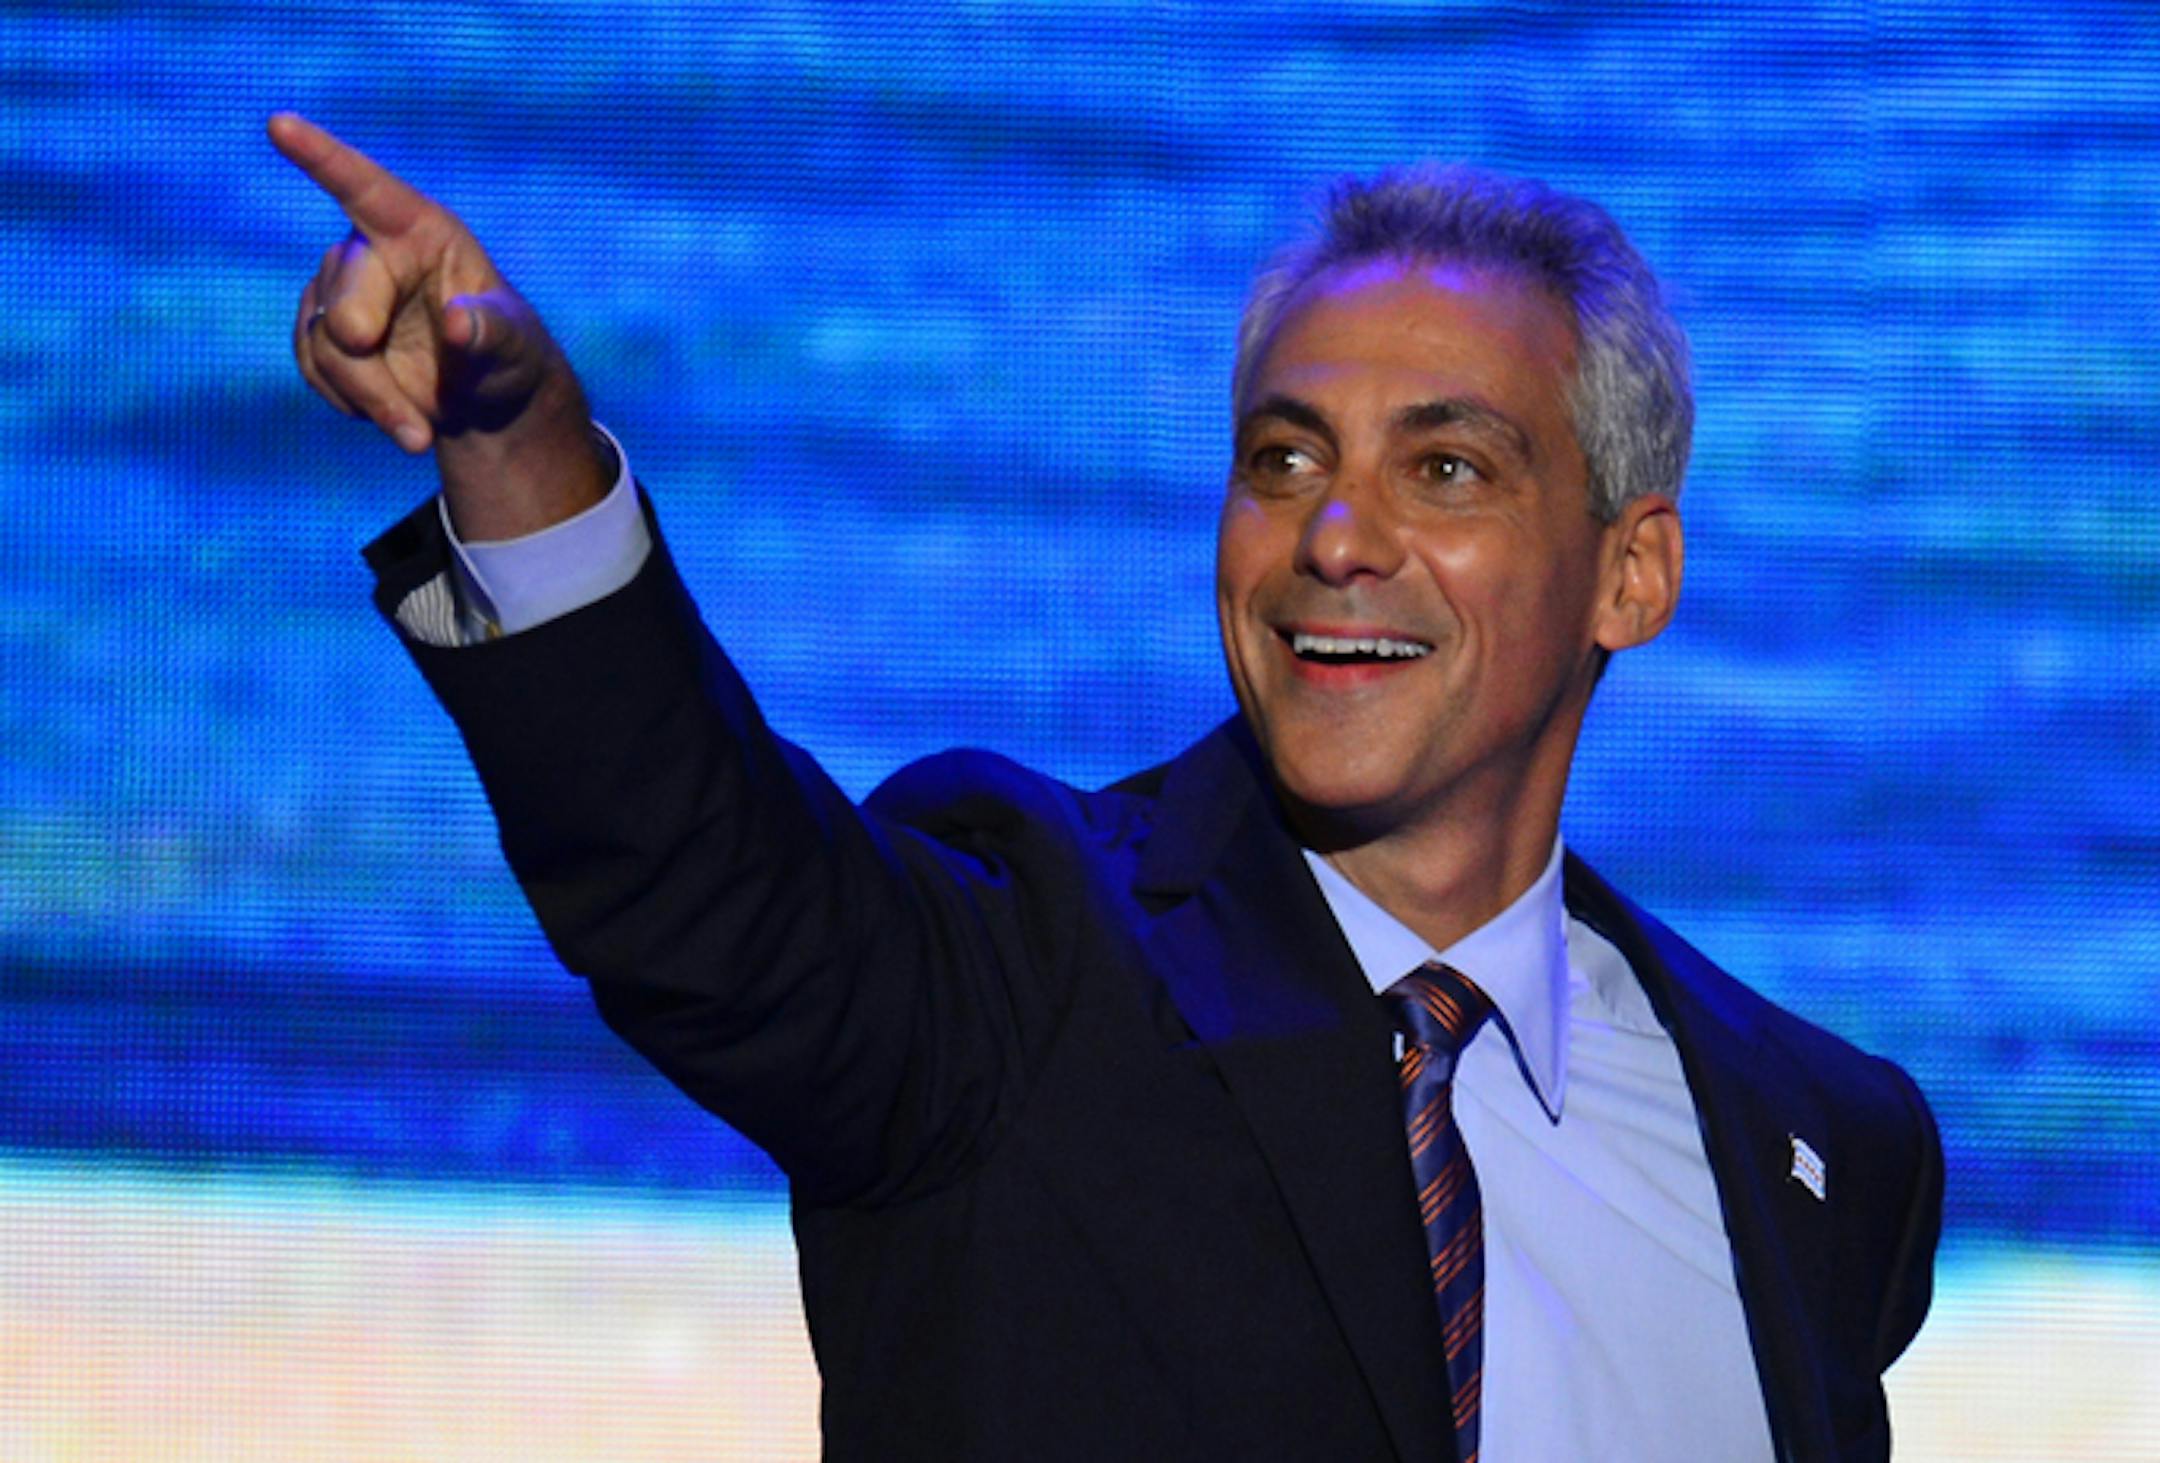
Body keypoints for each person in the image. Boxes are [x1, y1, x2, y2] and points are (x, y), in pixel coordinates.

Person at [271, 112, 1942, 1461]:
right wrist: (524, 455)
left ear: (1630, 576)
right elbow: (705, 889)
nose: (1334, 537)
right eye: (1284, 459)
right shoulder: (1022, 964)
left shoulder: (1827, 1152)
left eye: (1445, 468)